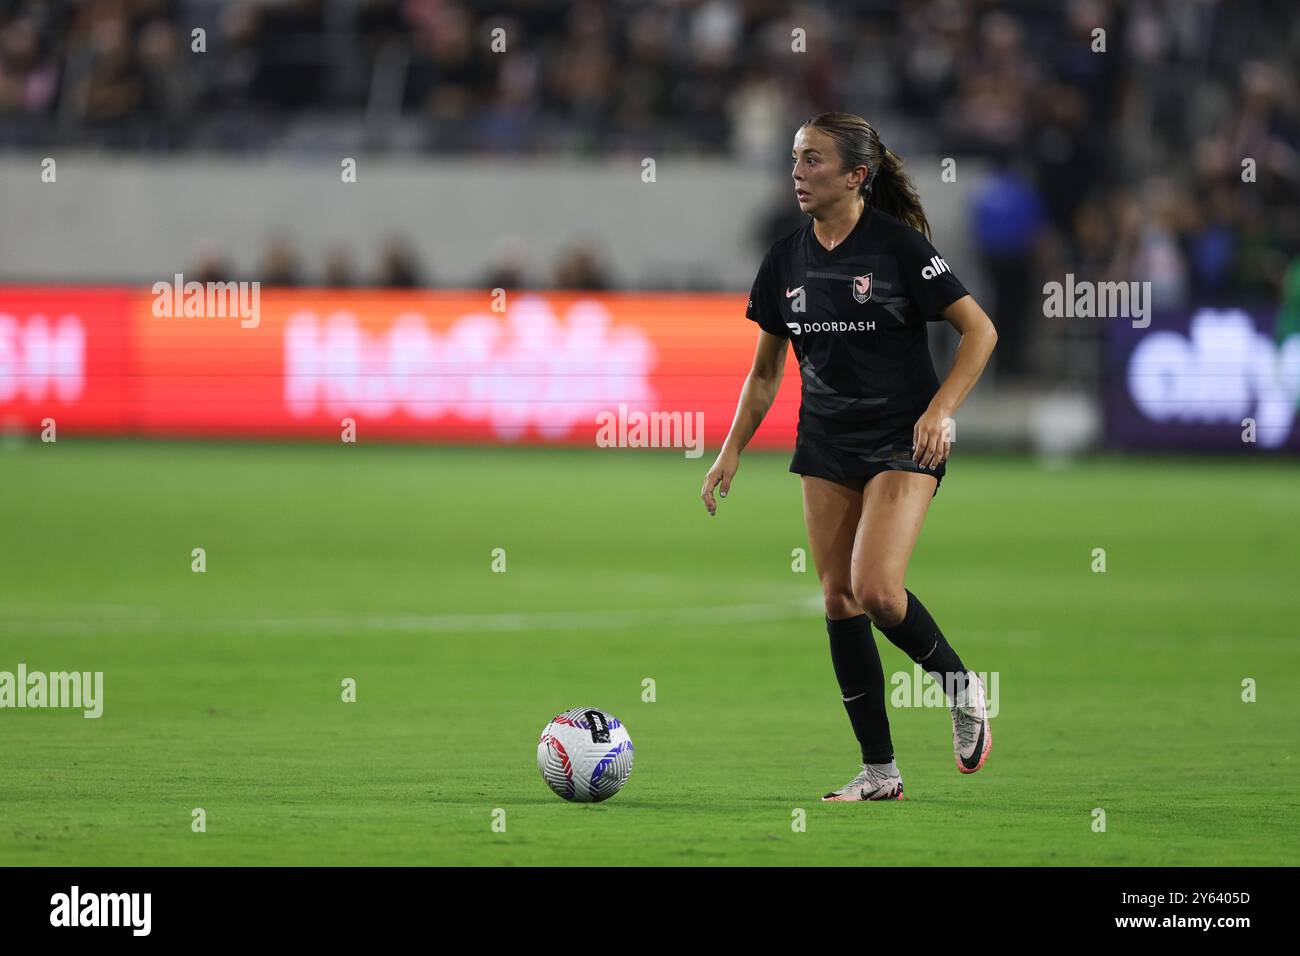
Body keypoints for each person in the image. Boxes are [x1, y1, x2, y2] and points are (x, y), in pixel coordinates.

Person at [701, 112, 998, 801]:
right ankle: (879, 771)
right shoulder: (785, 259)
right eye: (795, 159)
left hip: (904, 435)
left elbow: (979, 331)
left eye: (812, 161)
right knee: (837, 601)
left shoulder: (899, 248)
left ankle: (961, 688)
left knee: (877, 591)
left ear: (856, 176)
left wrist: (939, 410)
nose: (797, 173)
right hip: (827, 438)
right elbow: (768, 371)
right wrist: (730, 450)